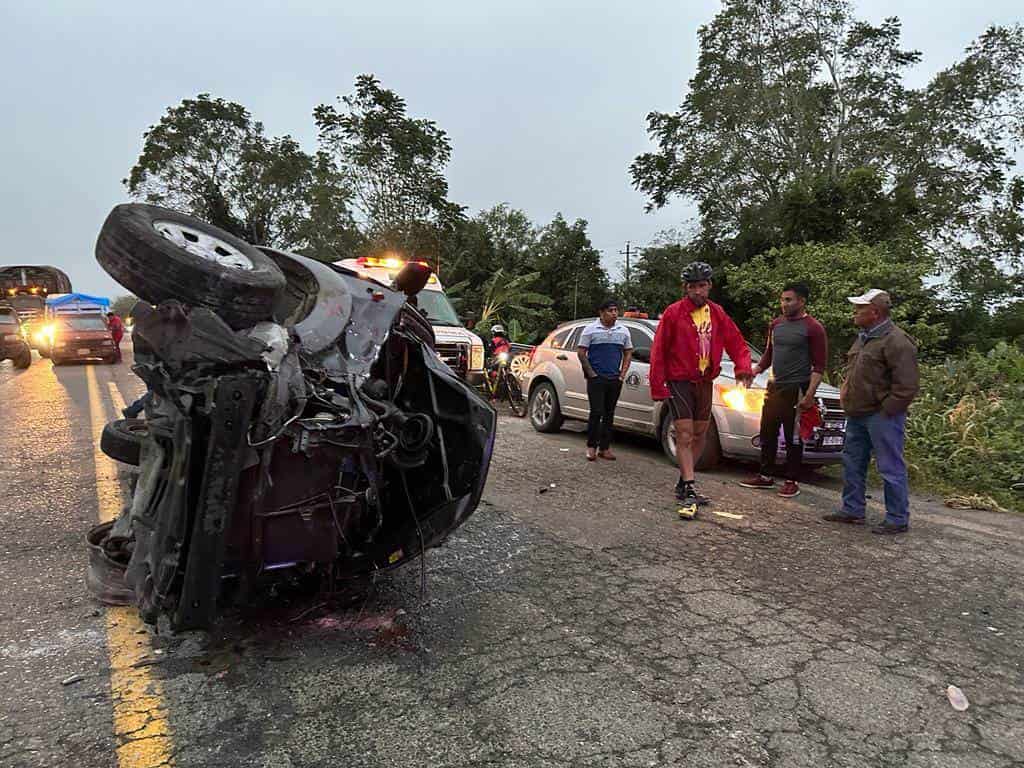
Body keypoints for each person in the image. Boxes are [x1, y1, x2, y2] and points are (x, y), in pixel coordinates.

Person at [650, 261, 754, 505]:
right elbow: (659, 350)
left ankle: (684, 479)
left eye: (702, 286)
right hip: (679, 380)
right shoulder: (674, 312)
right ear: (685, 288)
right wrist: (658, 384)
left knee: (699, 434)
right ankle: (689, 485)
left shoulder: (716, 312)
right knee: (684, 435)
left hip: (705, 380)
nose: (698, 291)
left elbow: (736, 341)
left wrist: (743, 367)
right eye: (693, 287)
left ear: (709, 286)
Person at [822, 289, 919, 535]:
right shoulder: (863, 337)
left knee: (889, 466)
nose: (855, 312)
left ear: (874, 312)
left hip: (881, 415)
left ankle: (897, 518)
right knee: (852, 462)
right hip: (857, 413)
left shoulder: (897, 341)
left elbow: (907, 386)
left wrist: (887, 411)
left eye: (860, 308)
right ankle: (852, 510)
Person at [739, 283, 828, 498]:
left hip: (797, 387)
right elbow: (769, 355)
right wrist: (754, 371)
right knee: (767, 430)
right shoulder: (776, 325)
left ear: (801, 301)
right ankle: (765, 475)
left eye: (789, 300)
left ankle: (792, 480)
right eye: (782, 300)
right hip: (774, 386)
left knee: (793, 436)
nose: (784, 304)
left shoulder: (813, 328)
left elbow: (819, 366)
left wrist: (809, 395)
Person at [577, 299, 633, 461]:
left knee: (609, 413)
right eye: (610, 310)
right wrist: (591, 373)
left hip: (614, 378)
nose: (614, 314)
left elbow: (628, 352)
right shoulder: (590, 330)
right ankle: (591, 446)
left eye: (616, 310)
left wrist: (622, 374)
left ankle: (605, 447)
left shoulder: (623, 331)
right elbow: (581, 352)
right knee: (596, 411)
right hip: (597, 378)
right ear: (601, 313)